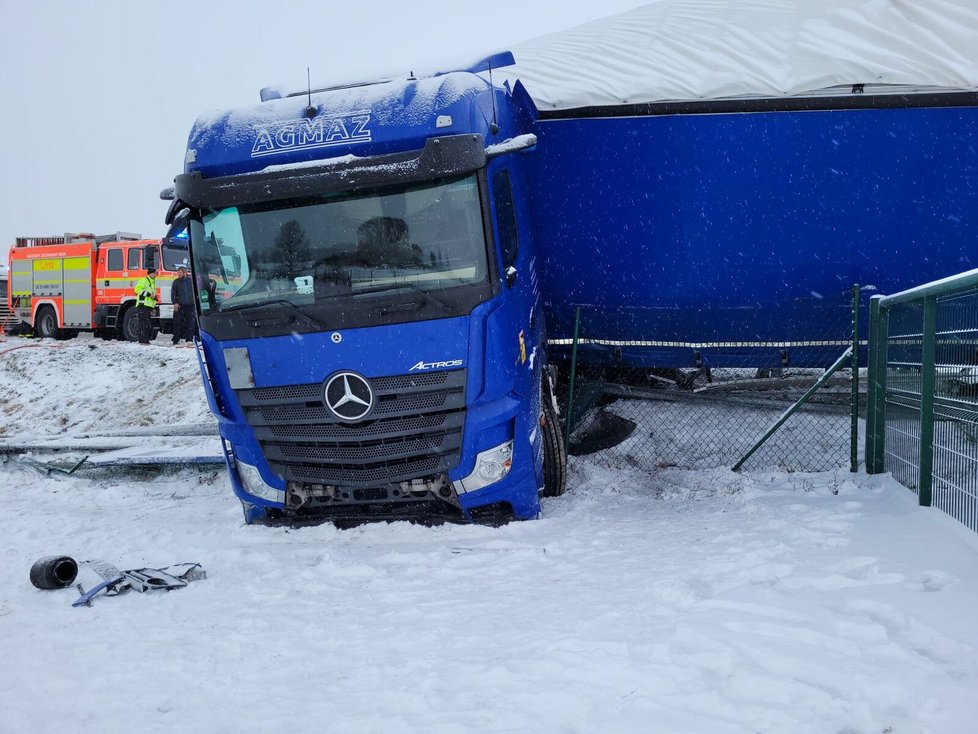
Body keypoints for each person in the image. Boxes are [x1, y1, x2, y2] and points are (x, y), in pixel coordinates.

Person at [170, 265, 196, 344]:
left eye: (180, 272)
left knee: (191, 323)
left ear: (185, 272)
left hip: (190, 305)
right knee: (177, 323)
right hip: (180, 305)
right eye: (178, 272)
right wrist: (175, 303)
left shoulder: (191, 281)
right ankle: (176, 339)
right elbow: (173, 293)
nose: (178, 274)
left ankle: (189, 339)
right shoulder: (176, 282)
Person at [133, 266, 158, 344]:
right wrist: (148, 294)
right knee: (144, 323)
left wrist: (153, 307)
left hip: (148, 306)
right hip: (142, 305)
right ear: (150, 274)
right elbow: (137, 289)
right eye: (154, 273)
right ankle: (143, 340)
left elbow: (153, 297)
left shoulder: (152, 282)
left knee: (147, 324)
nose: (155, 275)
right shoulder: (144, 280)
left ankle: (145, 340)